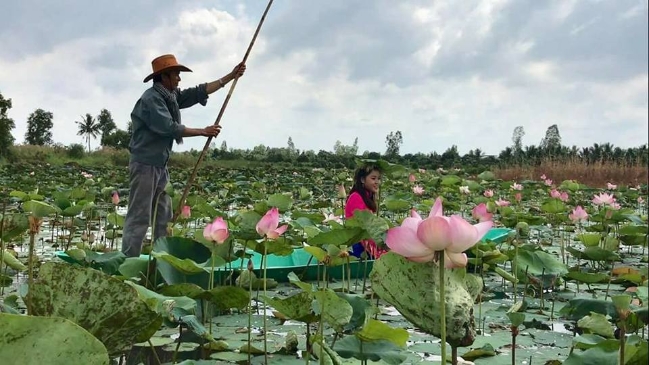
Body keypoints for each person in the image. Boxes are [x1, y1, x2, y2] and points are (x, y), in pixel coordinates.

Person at [121, 54, 246, 257]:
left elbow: (197, 92)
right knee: (140, 217)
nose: (179, 79)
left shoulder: (170, 97)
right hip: (144, 165)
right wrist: (203, 131)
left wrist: (230, 77)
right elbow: (169, 127)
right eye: (176, 75)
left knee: (163, 216)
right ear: (164, 77)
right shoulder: (151, 99)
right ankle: (127, 262)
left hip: (160, 165)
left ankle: (162, 259)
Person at [344, 163, 387, 259]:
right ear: (363, 180)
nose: (377, 182)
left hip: (366, 243)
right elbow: (364, 229)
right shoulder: (356, 197)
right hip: (357, 245)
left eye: (378, 179)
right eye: (373, 178)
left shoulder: (367, 197)